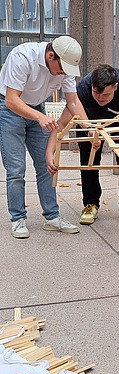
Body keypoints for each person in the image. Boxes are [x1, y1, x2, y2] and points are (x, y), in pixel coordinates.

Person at [0, 35, 87, 239]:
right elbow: (12, 100)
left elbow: (73, 102)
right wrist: (40, 117)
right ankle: (18, 218)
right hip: (9, 109)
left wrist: (89, 127)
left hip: (37, 108)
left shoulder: (64, 66)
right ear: (50, 55)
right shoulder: (23, 56)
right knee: (16, 167)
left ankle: (52, 217)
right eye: (61, 69)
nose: (63, 74)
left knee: (47, 165)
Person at [46, 64, 119, 226]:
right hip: (88, 123)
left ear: (115, 87)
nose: (100, 98)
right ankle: (91, 203)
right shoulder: (82, 89)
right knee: (88, 161)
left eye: (106, 94)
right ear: (91, 86)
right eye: (96, 93)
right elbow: (61, 124)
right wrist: (50, 152)